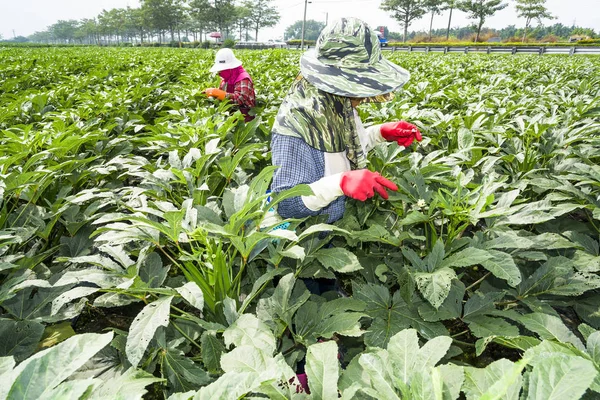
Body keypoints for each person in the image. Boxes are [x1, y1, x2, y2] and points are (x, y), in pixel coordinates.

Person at [269, 17, 423, 225]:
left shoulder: (337, 105)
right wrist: (340, 183)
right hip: (308, 241)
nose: (363, 96)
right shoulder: (296, 125)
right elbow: (287, 204)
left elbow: (342, 149)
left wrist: (381, 133)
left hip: (338, 224)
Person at [204, 48, 256, 122]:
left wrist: (218, 93)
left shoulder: (243, 78)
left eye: (222, 69)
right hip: (230, 116)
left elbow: (239, 99)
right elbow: (221, 93)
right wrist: (211, 94)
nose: (220, 72)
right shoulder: (226, 79)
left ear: (231, 68)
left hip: (245, 119)